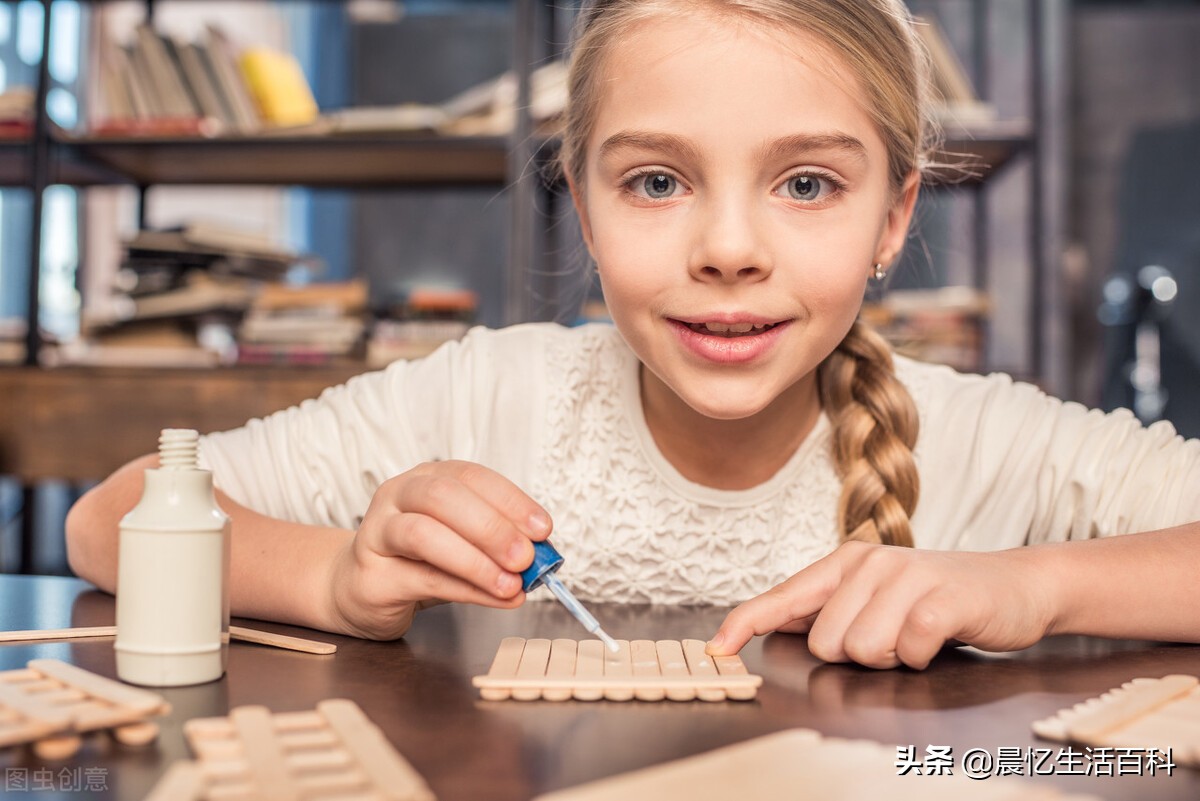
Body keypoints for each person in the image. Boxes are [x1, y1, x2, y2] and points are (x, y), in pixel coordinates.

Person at [66, 0, 1200, 671]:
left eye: (807, 184)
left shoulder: (987, 441)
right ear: (584, 199)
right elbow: (106, 520)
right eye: (657, 180)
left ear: (893, 218)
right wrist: (341, 577)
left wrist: (1037, 586)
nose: (727, 248)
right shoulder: (479, 399)